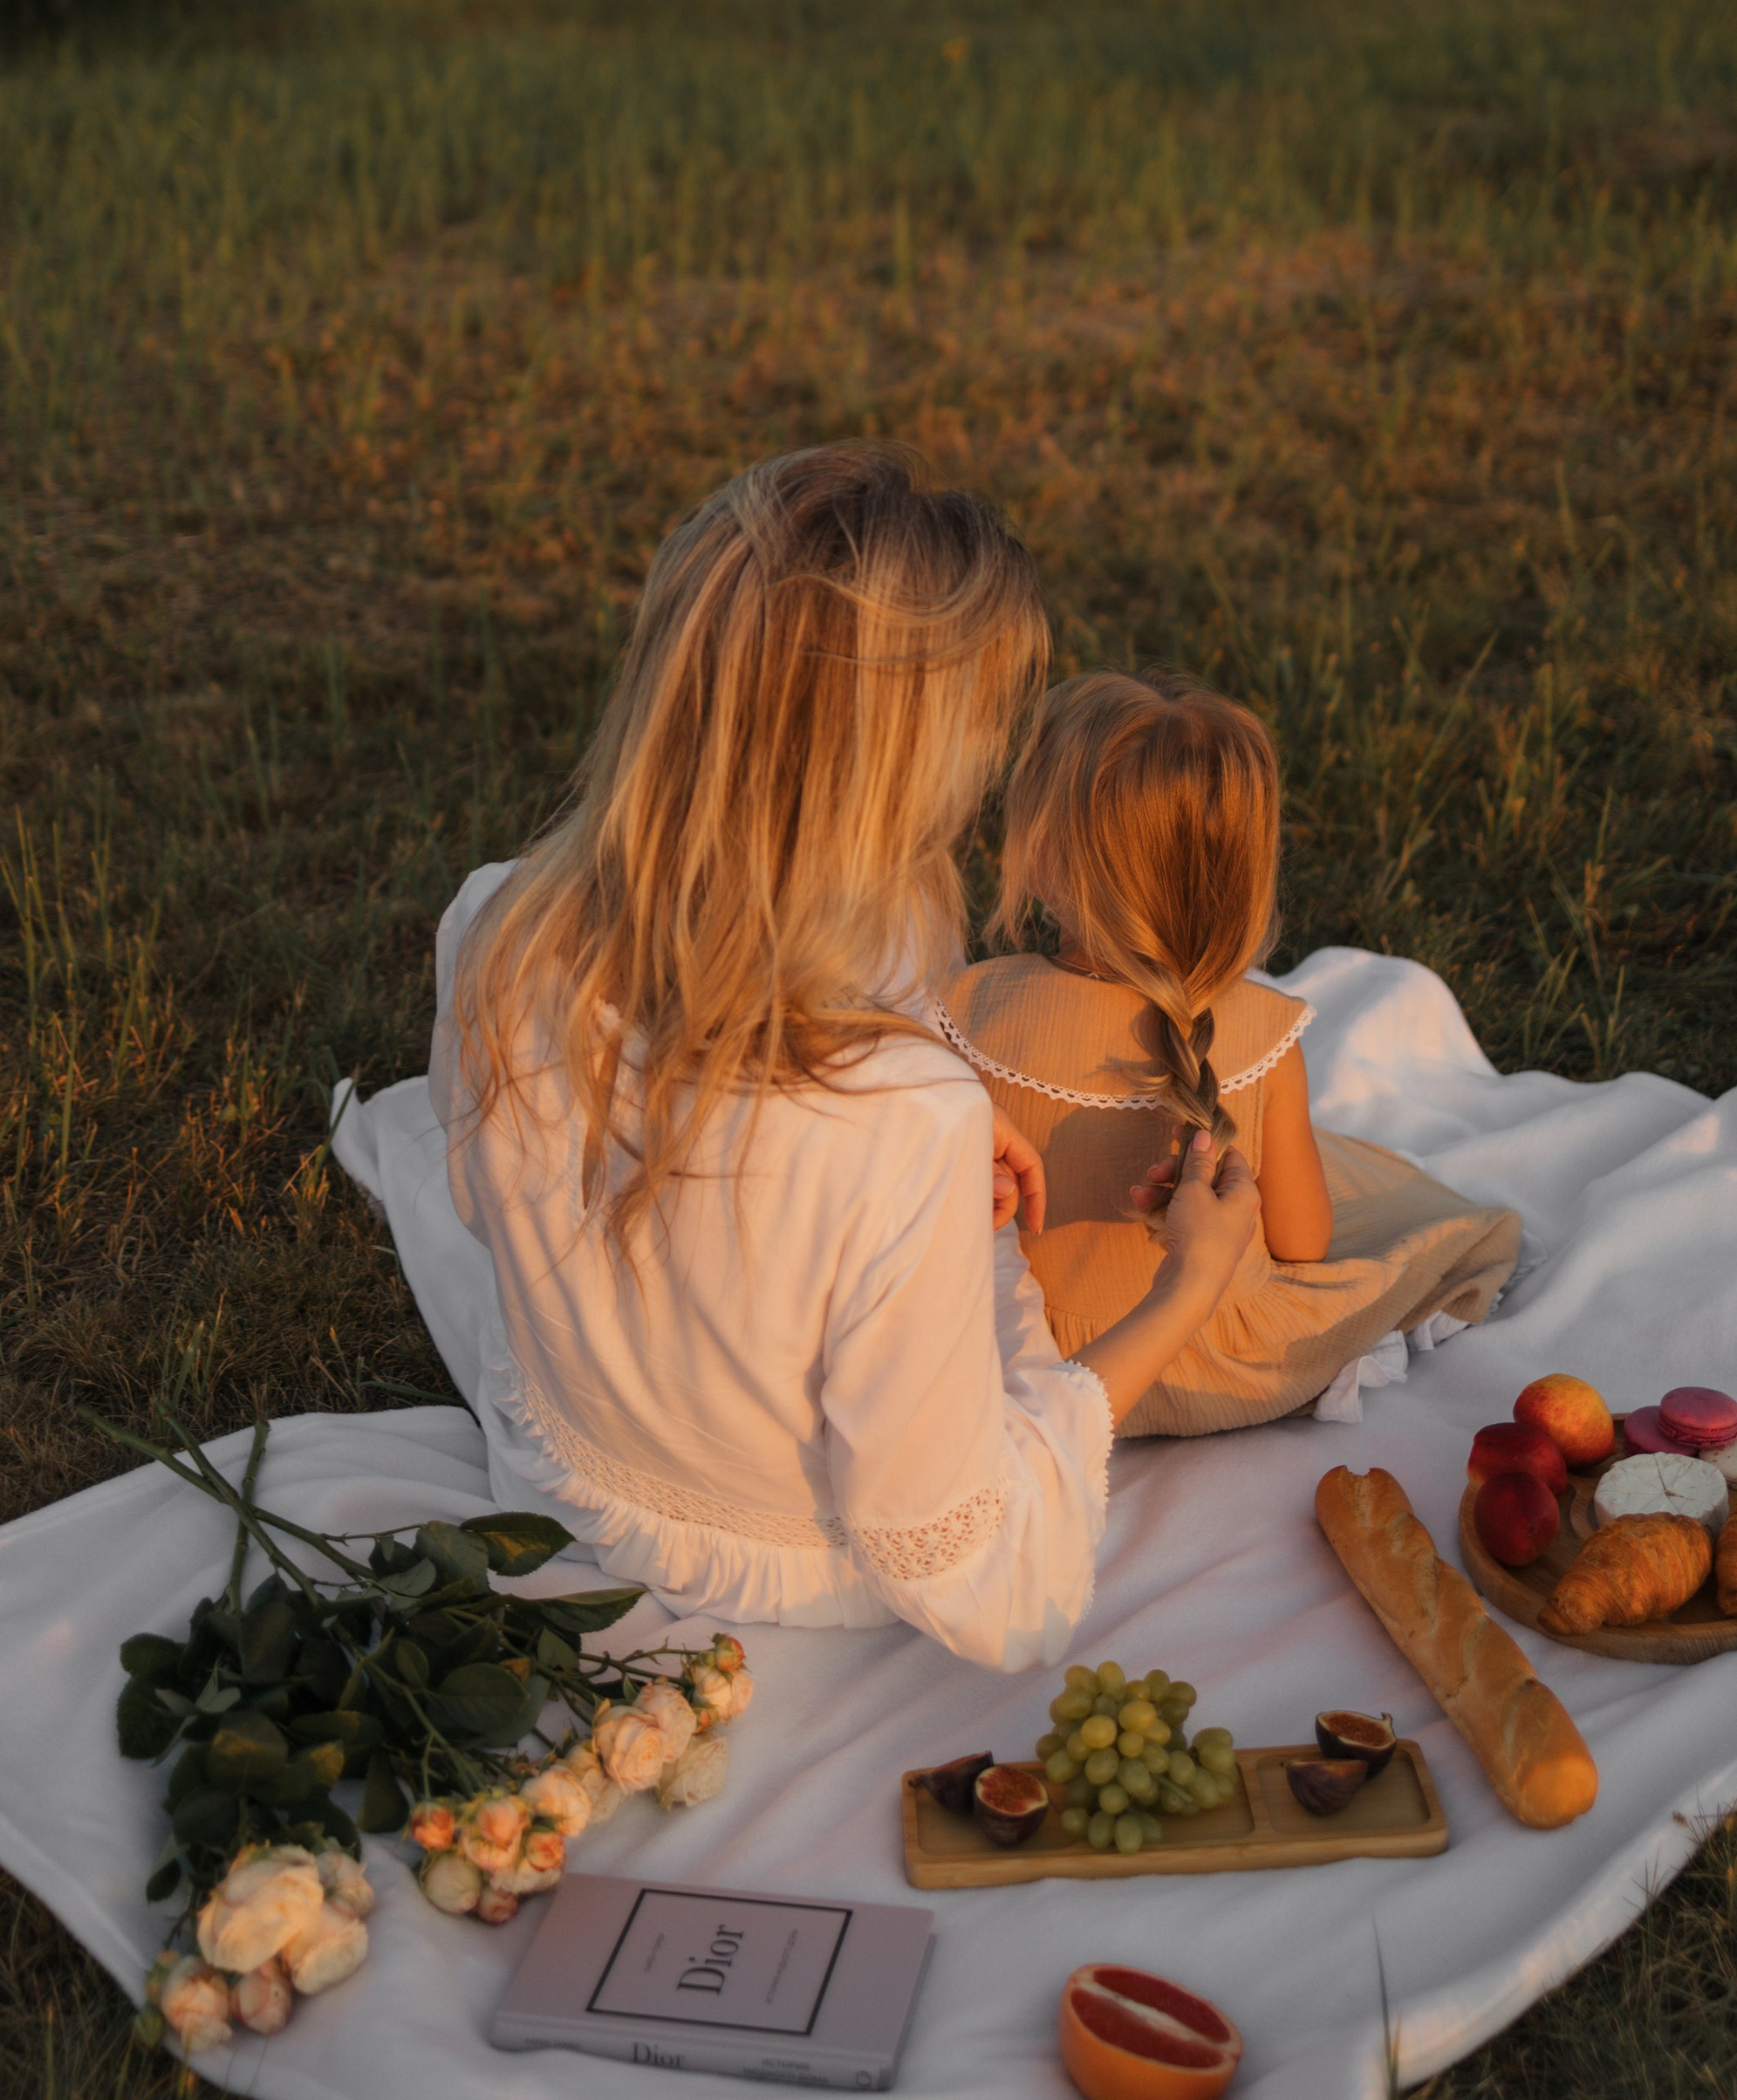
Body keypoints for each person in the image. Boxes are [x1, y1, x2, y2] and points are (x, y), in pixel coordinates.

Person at [427, 445, 1262, 1670]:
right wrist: (1185, 1290)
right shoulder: (895, 1123)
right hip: (816, 1566)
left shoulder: (501, 934)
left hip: (570, 1463)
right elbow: (972, 1576)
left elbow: (505, 1206)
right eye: (984, 723)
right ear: (896, 767)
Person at [934, 674, 1522, 1438]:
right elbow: (1302, 1243)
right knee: (1411, 1216)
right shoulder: (1261, 1035)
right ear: (1242, 879)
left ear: (1040, 856)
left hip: (1023, 1368)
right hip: (1225, 1368)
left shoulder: (969, 1008)